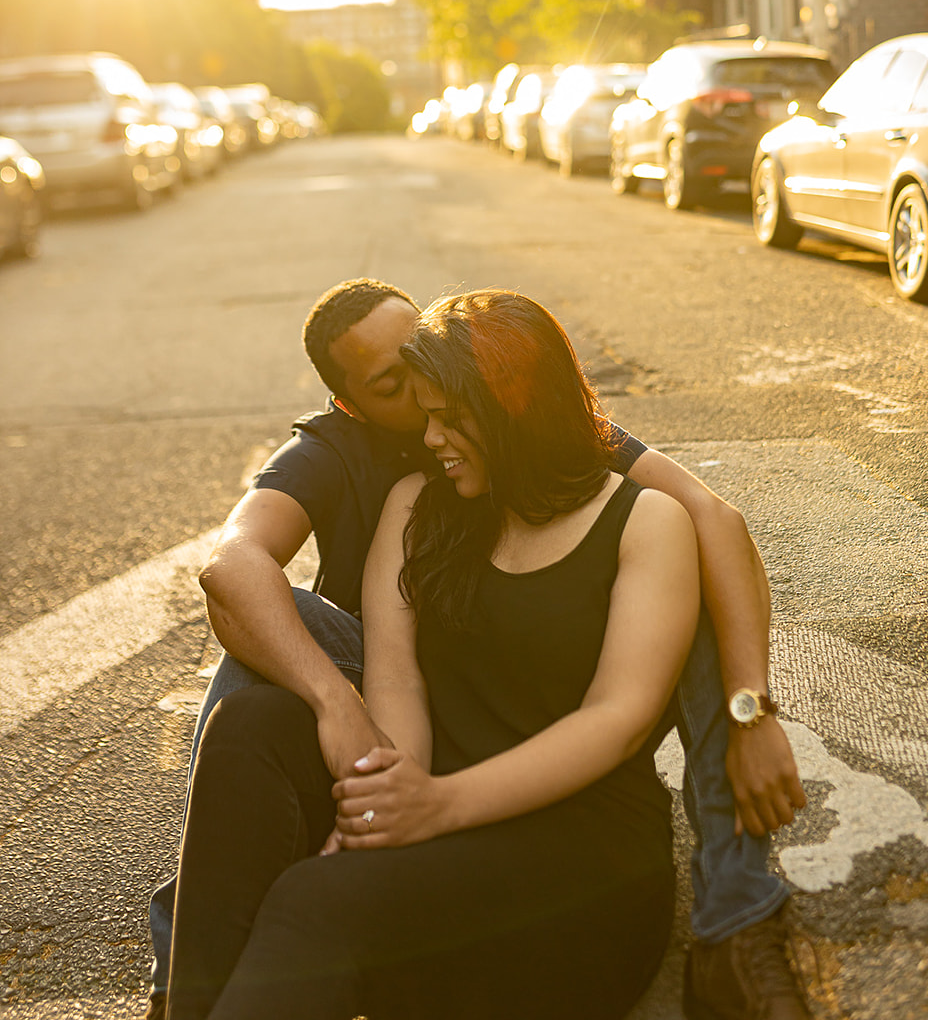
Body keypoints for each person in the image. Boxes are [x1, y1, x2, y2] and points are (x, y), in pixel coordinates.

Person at [145, 277, 809, 1020]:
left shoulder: (646, 519)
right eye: (418, 409)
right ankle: (186, 998)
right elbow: (395, 679)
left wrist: (432, 807)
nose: (427, 440)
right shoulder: (416, 499)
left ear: (510, 408)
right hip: (446, 818)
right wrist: (385, 806)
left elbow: (617, 718)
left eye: (446, 418)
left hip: (581, 860)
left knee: (316, 902)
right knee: (250, 723)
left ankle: (739, 918)